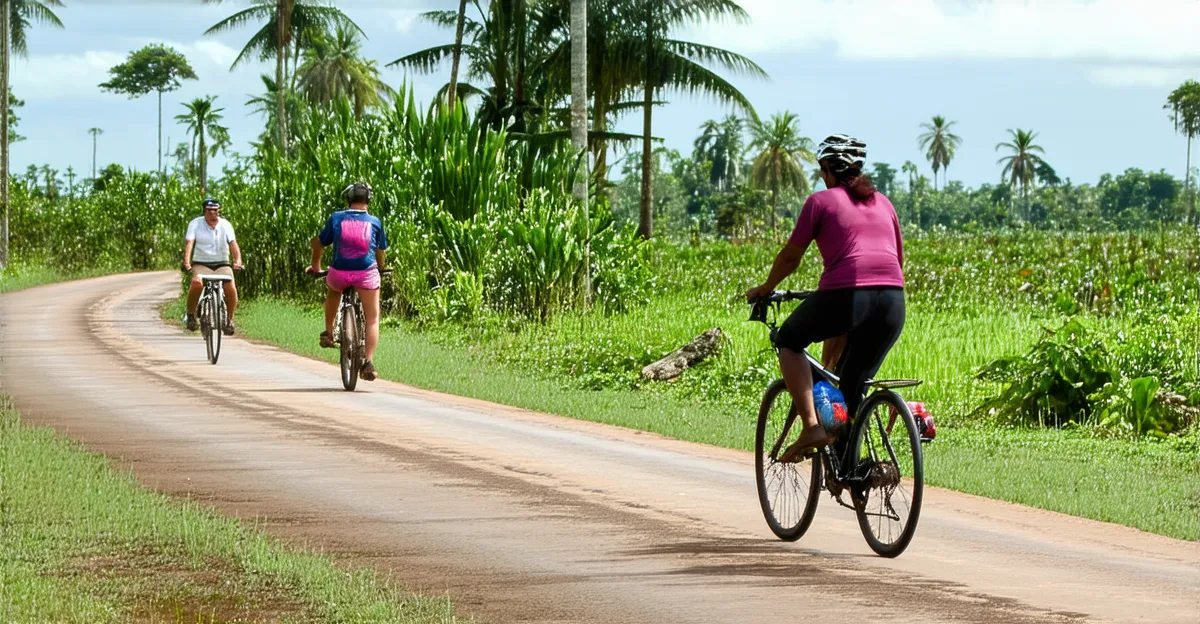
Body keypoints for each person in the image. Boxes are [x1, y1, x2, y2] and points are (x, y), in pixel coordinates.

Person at [745, 135, 905, 461]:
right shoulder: (884, 203)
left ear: (830, 168)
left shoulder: (820, 202)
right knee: (851, 386)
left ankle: (811, 425)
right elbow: (897, 259)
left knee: (788, 339)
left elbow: (791, 258)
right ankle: (854, 467)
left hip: (847, 296)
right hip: (892, 301)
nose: (821, 176)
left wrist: (766, 287)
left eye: (822, 169)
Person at [308, 182, 389, 381]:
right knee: (372, 318)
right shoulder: (375, 222)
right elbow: (380, 251)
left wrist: (316, 265)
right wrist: (381, 267)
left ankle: (328, 332)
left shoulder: (336, 218)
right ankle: (368, 362)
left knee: (334, 290)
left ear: (348, 199)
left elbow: (318, 242)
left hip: (339, 273)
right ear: (368, 200)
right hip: (366, 274)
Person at [183, 197, 243, 334]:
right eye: (210, 212)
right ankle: (191, 315)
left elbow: (234, 245)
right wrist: (187, 262)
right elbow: (189, 244)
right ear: (204, 212)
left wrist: (237, 261)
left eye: (216, 211)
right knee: (197, 283)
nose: (213, 215)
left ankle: (229, 320)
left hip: (222, 263)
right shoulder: (195, 224)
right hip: (201, 263)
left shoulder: (226, 225)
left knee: (230, 287)